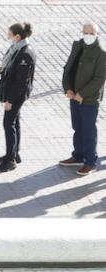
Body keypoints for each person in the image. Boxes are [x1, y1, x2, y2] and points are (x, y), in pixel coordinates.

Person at [62, 24, 104, 176]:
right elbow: (68, 67)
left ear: (97, 34)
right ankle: (78, 155)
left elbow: (99, 78)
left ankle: (90, 162)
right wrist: (67, 88)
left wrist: (83, 94)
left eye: (91, 33)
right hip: (74, 95)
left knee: (88, 130)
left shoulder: (101, 52)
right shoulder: (78, 45)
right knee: (77, 127)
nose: (88, 35)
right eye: (85, 32)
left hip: (89, 99)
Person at [0, 23, 36, 172]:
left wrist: (10, 101)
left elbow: (21, 82)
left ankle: (10, 159)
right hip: (15, 92)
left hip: (17, 94)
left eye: (10, 34)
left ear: (18, 37)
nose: (8, 37)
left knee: (8, 124)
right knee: (14, 122)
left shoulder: (25, 53)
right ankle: (13, 153)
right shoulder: (18, 49)